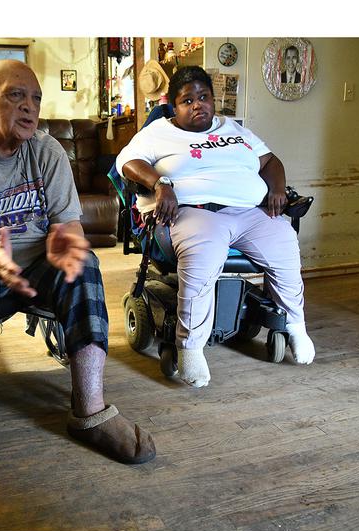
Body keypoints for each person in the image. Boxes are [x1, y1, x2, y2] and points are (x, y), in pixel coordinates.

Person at [0, 59, 156, 515]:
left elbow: (70, 227)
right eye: (15, 96)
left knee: (85, 269)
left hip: (33, 267)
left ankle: (91, 411)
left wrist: (67, 243)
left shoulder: (47, 152)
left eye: (36, 98)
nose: (29, 108)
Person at [116, 65, 316, 388]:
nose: (198, 105)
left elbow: (270, 161)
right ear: (174, 106)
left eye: (204, 97)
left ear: (213, 99)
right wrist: (160, 182)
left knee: (284, 240)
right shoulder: (159, 132)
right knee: (204, 251)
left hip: (247, 212)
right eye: (187, 100)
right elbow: (128, 162)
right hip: (193, 212)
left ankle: (295, 324)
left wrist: (277, 189)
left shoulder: (233, 129)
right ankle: (190, 347)